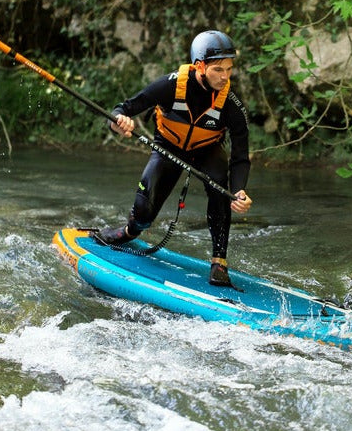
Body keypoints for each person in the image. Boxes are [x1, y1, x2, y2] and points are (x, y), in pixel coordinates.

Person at [93, 29, 253, 286]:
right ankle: (129, 231)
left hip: (206, 150)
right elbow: (124, 108)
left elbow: (241, 155)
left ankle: (219, 262)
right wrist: (119, 121)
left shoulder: (231, 104)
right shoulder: (171, 85)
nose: (225, 77)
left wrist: (240, 190)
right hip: (169, 146)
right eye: (218, 70)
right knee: (145, 205)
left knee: (220, 183)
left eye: (229, 69)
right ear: (200, 66)